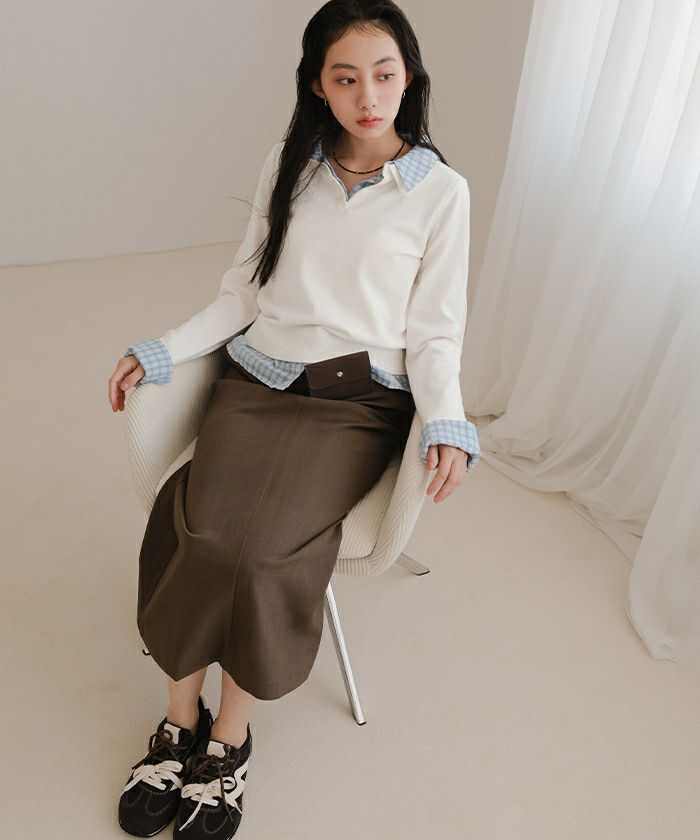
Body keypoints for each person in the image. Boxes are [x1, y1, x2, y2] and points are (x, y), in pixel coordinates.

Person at [107, 1, 481, 837]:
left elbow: (436, 334)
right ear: (317, 84)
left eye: (383, 75)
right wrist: (163, 349)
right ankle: (178, 722)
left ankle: (228, 743)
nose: (367, 96)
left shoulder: (440, 193)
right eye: (345, 78)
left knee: (263, 552)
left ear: (410, 78)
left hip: (356, 407)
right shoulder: (291, 165)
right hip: (255, 384)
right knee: (200, 530)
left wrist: (448, 420)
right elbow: (242, 292)